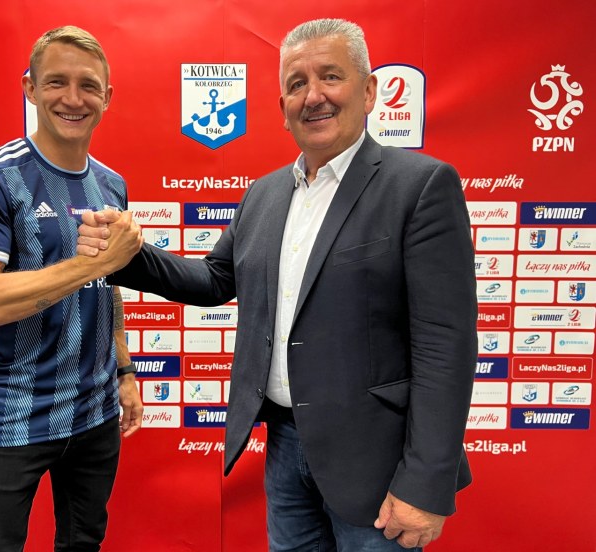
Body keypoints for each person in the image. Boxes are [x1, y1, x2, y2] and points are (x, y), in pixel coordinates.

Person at [80, 17, 478, 551]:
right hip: (286, 447)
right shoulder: (264, 194)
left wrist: (425, 484)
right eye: (296, 84)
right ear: (282, 107)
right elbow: (214, 279)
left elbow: (445, 347)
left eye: (330, 76)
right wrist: (126, 255)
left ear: (368, 91)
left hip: (378, 461)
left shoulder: (421, 186)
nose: (313, 96)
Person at [0, 25, 145, 552]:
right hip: (11, 416)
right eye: (57, 82)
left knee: (84, 544)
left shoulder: (112, 183)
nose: (73, 99)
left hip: (95, 414)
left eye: (89, 86)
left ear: (107, 97)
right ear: (30, 88)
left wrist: (125, 371)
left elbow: (108, 284)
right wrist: (87, 265)